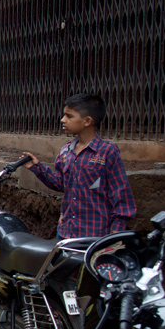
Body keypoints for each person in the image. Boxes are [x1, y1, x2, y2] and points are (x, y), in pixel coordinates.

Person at [21, 93, 135, 238]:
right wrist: (37, 168)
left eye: (69, 116)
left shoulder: (107, 152)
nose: (63, 120)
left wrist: (115, 231)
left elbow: (121, 193)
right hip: (65, 232)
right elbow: (61, 184)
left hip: (94, 234)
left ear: (87, 121)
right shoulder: (65, 152)